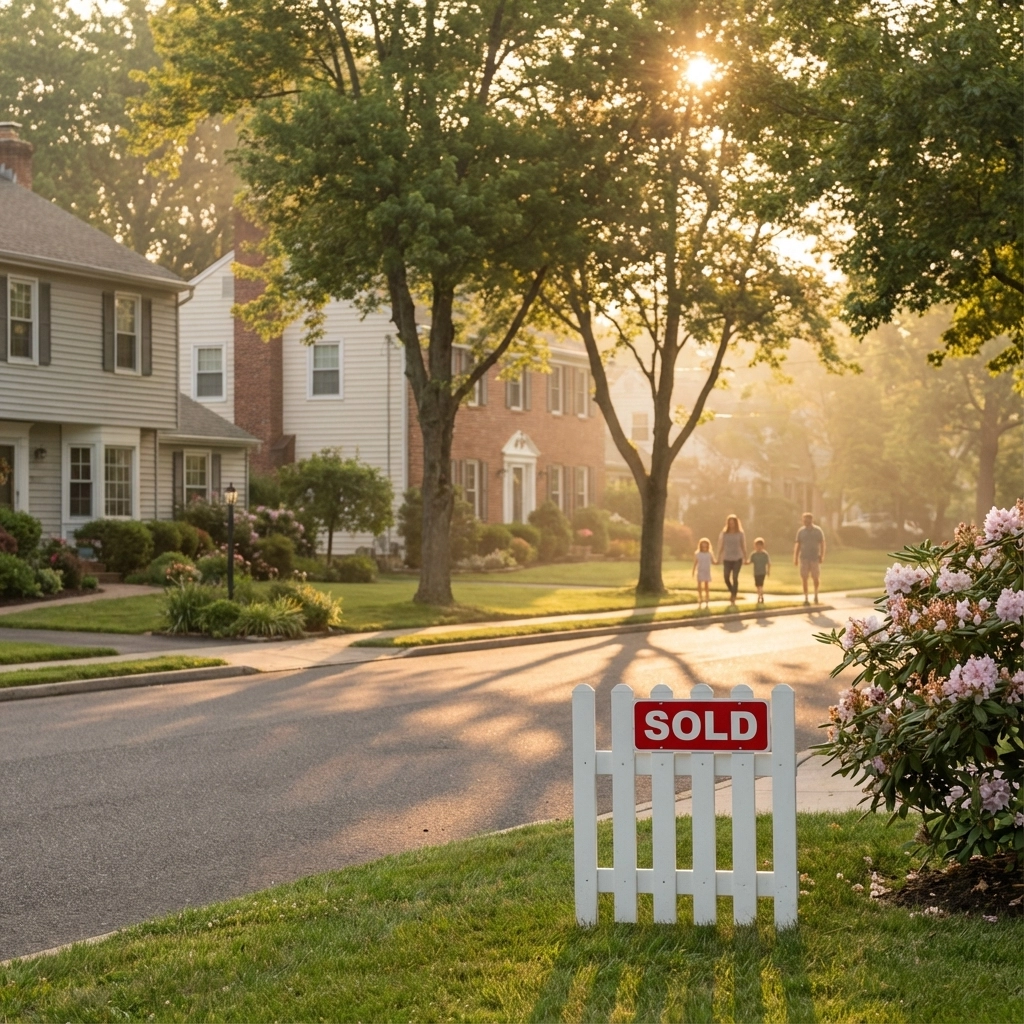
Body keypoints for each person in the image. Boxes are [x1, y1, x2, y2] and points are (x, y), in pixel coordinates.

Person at [793, 511, 826, 605]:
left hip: (815, 557)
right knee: (804, 578)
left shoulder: (818, 531)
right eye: (804, 519)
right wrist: (795, 557)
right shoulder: (801, 531)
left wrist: (822, 555)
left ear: (811, 520)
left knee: (815, 577)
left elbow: (822, 543)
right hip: (804, 557)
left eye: (807, 519)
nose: (805, 521)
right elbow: (798, 545)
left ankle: (816, 594)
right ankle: (806, 597)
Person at [716, 514, 746, 604]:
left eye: (733, 523)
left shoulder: (740, 534)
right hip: (727, 558)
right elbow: (721, 546)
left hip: (737, 558)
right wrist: (718, 557)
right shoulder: (724, 534)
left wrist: (745, 557)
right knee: (726, 577)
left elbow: (743, 546)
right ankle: (732, 591)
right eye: (730, 523)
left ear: (736, 523)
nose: (731, 525)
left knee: (735, 577)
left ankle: (734, 596)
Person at [692, 537, 715, 608]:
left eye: (705, 545)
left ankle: (707, 598)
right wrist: (693, 571)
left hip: (707, 571)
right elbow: (695, 563)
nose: (704, 547)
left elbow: (713, 561)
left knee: (706, 585)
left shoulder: (709, 553)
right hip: (700, 570)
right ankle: (700, 597)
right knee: (699, 585)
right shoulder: (698, 553)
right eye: (703, 545)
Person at [749, 537, 771, 605]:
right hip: (756, 572)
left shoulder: (765, 554)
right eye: (757, 546)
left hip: (762, 572)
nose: (758, 547)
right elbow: (749, 561)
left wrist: (768, 571)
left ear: (762, 546)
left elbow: (769, 563)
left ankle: (760, 597)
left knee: (760, 585)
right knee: (757, 585)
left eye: (760, 546)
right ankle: (760, 595)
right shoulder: (754, 554)